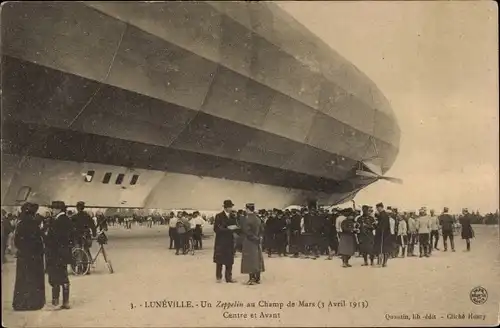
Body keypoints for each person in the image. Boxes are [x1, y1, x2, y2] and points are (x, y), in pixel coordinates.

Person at [12, 202, 45, 311]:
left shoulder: (20, 224)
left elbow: (16, 241)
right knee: (33, 279)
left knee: (22, 280)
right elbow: (39, 241)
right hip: (34, 257)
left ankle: (20, 303)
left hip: (23, 256)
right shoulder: (35, 224)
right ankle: (33, 303)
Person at [44, 201, 73, 309]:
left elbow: (53, 238)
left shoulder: (57, 221)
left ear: (58, 209)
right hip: (64, 252)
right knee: (63, 275)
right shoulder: (67, 220)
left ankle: (55, 301)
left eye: (54, 209)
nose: (52, 210)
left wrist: (45, 237)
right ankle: (65, 302)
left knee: (55, 276)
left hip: (56, 252)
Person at [240, 203, 265, 285]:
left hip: (249, 242)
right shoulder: (257, 218)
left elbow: (247, 232)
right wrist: (259, 238)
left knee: (250, 260)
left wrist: (254, 238)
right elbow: (262, 229)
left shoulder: (247, 219)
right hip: (257, 242)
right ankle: (258, 278)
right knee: (257, 259)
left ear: (247, 209)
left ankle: (252, 278)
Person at [213, 200, 237, 283]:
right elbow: (216, 229)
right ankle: (218, 277)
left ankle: (228, 278)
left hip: (230, 241)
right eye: (229, 207)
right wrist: (228, 229)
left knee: (229, 260)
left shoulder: (233, 216)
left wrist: (236, 228)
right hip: (221, 241)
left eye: (231, 207)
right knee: (219, 260)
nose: (231, 208)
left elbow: (235, 227)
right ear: (225, 207)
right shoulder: (218, 216)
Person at [71, 201, 97, 272]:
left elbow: (71, 227)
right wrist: (94, 234)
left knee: (78, 251)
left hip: (77, 236)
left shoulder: (74, 217)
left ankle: (79, 268)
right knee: (86, 250)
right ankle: (86, 268)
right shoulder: (87, 216)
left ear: (77, 208)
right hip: (86, 236)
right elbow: (93, 226)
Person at [374, 203, 392, 267]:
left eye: (378, 208)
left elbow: (383, 225)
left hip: (383, 233)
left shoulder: (383, 215)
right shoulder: (381, 215)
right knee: (383, 248)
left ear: (381, 207)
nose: (377, 209)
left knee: (382, 248)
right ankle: (383, 262)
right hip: (383, 233)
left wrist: (378, 227)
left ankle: (382, 262)